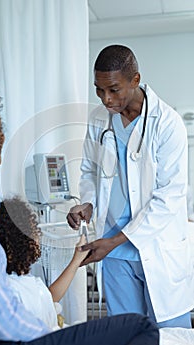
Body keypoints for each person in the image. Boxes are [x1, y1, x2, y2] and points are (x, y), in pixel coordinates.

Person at [0, 81, 159, 345]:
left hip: (4, 335)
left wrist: (86, 207)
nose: (3, 137)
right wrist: (52, 336)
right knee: (142, 326)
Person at [67, 44, 194, 328]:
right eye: (99, 90)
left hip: (156, 247)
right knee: (125, 336)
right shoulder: (99, 120)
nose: (106, 99)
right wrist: (87, 204)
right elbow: (89, 170)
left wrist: (114, 241)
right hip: (114, 254)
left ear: (135, 80)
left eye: (113, 89)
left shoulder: (168, 124)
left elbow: (168, 197)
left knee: (170, 339)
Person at [0, 196, 90, 329]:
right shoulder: (16, 289)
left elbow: (49, 297)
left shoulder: (21, 281)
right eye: (35, 231)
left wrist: (76, 260)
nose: (39, 237)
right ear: (20, 240)